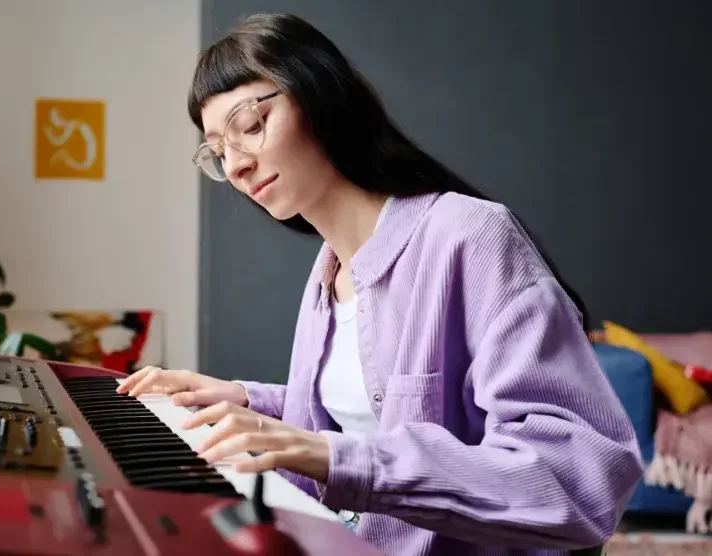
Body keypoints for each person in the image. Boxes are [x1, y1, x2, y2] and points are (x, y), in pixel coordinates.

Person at [116, 12, 643, 555]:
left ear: (317, 93)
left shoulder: (467, 235)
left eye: (250, 126)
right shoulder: (328, 274)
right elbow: (371, 412)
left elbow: (582, 474)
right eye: (219, 153)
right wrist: (247, 399)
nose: (239, 166)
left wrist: (330, 456)